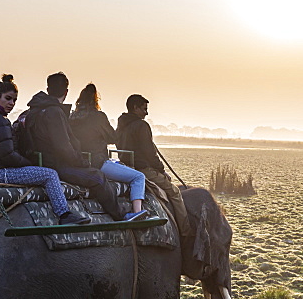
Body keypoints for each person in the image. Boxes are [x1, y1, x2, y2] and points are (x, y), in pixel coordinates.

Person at [0, 74, 89, 225]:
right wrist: (30, 164)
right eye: (8, 98)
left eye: (14, 100)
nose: (11, 103)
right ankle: (64, 214)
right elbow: (7, 155)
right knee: (50, 174)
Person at [20, 73, 128, 221]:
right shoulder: (55, 112)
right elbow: (63, 146)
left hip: (40, 162)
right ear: (66, 91)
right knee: (98, 177)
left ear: (48, 89)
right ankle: (121, 215)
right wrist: (81, 162)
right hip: (57, 164)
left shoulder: (33, 111)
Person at [116, 94, 191, 236]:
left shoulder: (121, 125)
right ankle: (185, 232)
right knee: (174, 192)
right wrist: (162, 171)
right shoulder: (142, 125)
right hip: (143, 169)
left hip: (126, 168)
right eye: (144, 109)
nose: (146, 112)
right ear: (135, 108)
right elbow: (150, 153)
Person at [71, 83, 148, 221]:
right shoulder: (98, 116)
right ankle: (137, 211)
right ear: (95, 100)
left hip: (78, 163)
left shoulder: (72, 117)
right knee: (138, 177)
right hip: (98, 162)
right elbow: (112, 137)